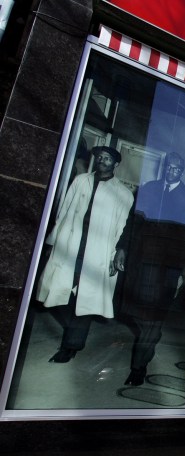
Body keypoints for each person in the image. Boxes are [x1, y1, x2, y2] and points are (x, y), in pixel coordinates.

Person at [113, 151, 185, 386]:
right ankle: (151, 335)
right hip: (140, 263)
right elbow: (133, 223)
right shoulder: (149, 189)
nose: (171, 171)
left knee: (152, 318)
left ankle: (138, 367)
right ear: (165, 167)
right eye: (169, 167)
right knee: (137, 314)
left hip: (168, 269)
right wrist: (122, 248)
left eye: (176, 169)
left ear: (181, 172)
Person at [38, 145, 133, 363]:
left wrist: (116, 253)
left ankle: (70, 345)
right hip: (71, 245)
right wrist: (53, 241)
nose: (102, 160)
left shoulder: (123, 194)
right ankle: (71, 336)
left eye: (107, 158)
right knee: (60, 293)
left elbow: (123, 226)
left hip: (97, 252)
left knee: (84, 299)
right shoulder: (80, 181)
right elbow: (63, 211)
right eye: (99, 157)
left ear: (116, 164)